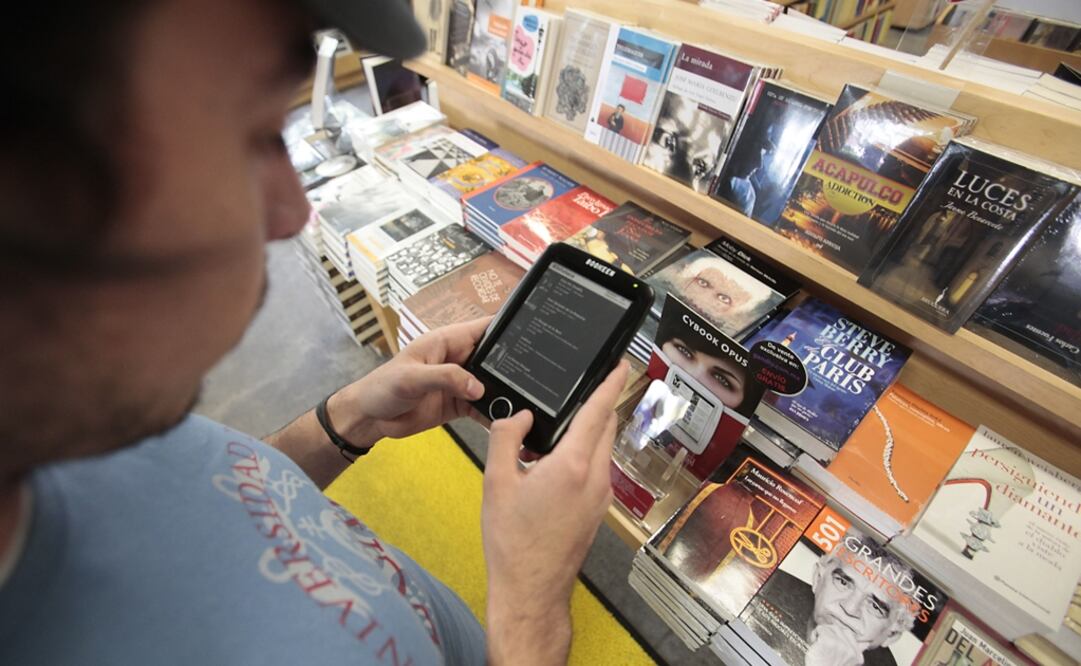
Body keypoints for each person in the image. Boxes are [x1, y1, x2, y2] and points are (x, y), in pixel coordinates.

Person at [0, 1, 626, 664]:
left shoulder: (83, 412)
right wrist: (530, 611)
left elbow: (221, 490)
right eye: (248, 136)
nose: (293, 212)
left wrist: (348, 419)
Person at [749, 540, 918, 666]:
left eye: (875, 606)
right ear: (818, 578)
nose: (850, 608)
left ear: (891, 635)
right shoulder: (763, 586)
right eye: (843, 583)